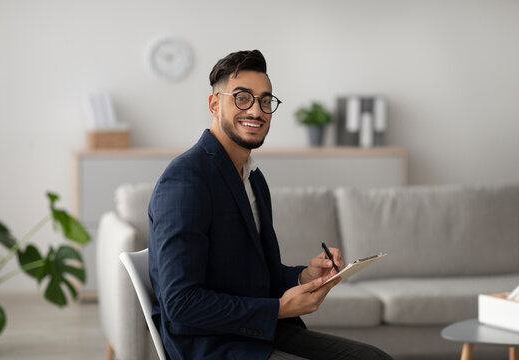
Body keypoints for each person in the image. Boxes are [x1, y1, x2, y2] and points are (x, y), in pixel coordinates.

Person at [148, 49, 393, 360]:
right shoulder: (185, 180)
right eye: (242, 97)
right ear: (214, 104)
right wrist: (280, 308)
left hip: (260, 333)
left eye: (265, 101)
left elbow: (252, 277)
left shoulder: (253, 177)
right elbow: (182, 303)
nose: (256, 110)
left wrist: (304, 276)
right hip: (212, 346)